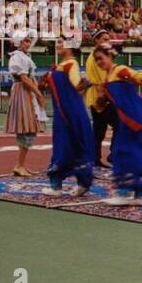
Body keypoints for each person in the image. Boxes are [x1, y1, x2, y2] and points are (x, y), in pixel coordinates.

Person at [93, 45, 142, 206]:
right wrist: (100, 98)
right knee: (135, 151)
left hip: (135, 115)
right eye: (96, 59)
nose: (98, 62)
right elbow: (102, 103)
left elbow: (136, 76)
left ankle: (123, 193)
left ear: (110, 56)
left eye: (100, 58)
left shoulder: (119, 70)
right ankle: (140, 194)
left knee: (122, 152)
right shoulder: (107, 78)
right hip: (127, 117)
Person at [40, 33, 95, 197]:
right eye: (56, 42)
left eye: (61, 42)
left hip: (68, 114)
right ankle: (82, 183)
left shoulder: (71, 64)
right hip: (66, 113)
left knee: (65, 146)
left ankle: (57, 187)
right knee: (73, 146)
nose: (57, 44)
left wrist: (84, 84)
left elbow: (76, 83)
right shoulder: (60, 66)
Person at [5, 32, 44, 176]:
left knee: (29, 128)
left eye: (29, 41)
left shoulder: (24, 57)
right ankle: (19, 165)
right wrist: (38, 94)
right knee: (26, 127)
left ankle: (21, 164)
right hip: (22, 93)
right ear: (19, 42)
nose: (28, 43)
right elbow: (24, 79)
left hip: (27, 93)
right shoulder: (16, 57)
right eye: (25, 41)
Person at [84, 30, 116, 168]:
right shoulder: (98, 57)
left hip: (95, 96)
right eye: (104, 39)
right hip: (101, 97)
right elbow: (105, 79)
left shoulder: (95, 55)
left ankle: (95, 159)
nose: (107, 42)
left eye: (108, 39)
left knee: (99, 130)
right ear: (96, 41)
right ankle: (114, 155)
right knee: (120, 124)